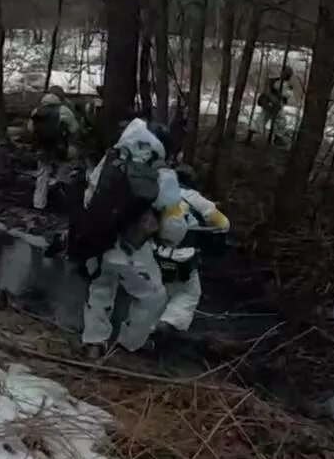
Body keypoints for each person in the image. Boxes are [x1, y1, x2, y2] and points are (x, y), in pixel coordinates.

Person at [79, 119, 188, 356]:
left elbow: (88, 198)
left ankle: (94, 343)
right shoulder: (163, 175)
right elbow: (173, 228)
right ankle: (130, 344)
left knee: (101, 287)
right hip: (131, 249)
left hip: (98, 239)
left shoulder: (110, 159)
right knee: (154, 296)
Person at [154, 165, 230, 332]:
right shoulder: (197, 200)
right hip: (181, 255)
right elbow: (224, 224)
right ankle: (169, 324)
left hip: (152, 251)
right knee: (188, 293)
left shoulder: (158, 194)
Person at [30, 86, 87, 210]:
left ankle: (39, 204)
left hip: (43, 149)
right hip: (60, 148)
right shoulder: (64, 110)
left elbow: (30, 129)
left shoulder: (36, 111)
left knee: (42, 176)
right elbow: (75, 129)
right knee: (65, 169)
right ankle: (61, 199)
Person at [249, 66, 295, 146]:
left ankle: (277, 138)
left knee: (281, 121)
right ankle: (250, 137)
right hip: (270, 104)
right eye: (286, 73)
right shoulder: (275, 81)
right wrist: (271, 98)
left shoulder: (288, 85)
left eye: (288, 74)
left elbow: (287, 95)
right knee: (262, 119)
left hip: (278, 106)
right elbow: (267, 91)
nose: (287, 75)